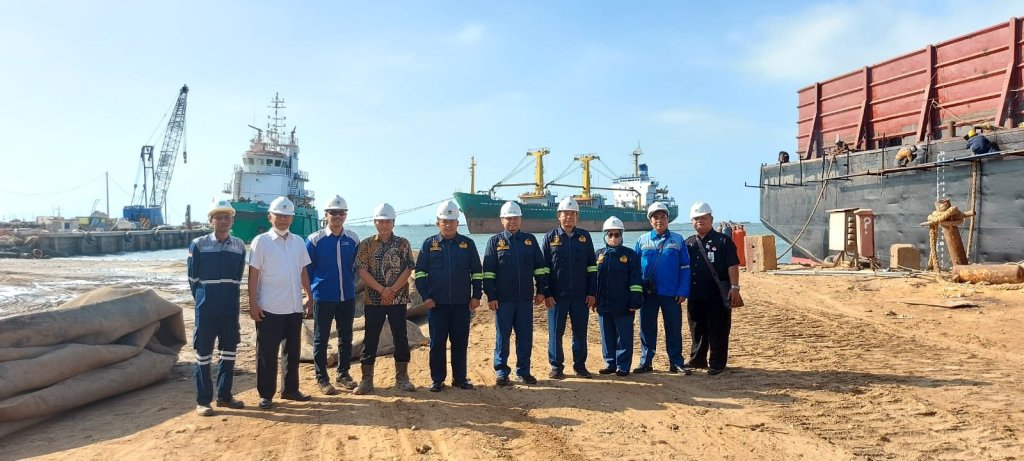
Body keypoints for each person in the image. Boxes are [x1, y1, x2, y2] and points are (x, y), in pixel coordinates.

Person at [248, 196, 314, 410]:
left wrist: (309, 296)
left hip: (293, 305)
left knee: (292, 352)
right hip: (269, 307)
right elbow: (253, 274)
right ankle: (266, 395)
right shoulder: (261, 242)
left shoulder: (298, 242)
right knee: (266, 353)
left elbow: (303, 270)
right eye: (279, 215)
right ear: (270, 217)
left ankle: (290, 389)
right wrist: (253, 304)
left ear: (292, 219)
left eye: (287, 216)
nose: (283, 219)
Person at [414, 200, 483, 392]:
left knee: (460, 342)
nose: (448, 224)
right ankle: (437, 380)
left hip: (462, 304)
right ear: (438, 223)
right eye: (444, 221)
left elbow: (477, 272)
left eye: (451, 221)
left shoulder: (467, 244)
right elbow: (420, 273)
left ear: (457, 223)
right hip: (437, 305)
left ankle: (460, 379)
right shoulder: (429, 244)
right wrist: (425, 297)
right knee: (437, 343)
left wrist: (476, 295)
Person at [187, 199, 247, 416]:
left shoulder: (239, 246)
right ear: (211, 221)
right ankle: (203, 401)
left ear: (232, 220)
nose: (223, 221)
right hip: (206, 310)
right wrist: (204, 299)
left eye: (227, 217)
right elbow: (193, 278)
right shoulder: (198, 244)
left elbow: (237, 277)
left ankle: (225, 396)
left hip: (230, 309)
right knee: (203, 355)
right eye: (218, 217)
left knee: (228, 353)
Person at [482, 201, 549, 386]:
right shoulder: (494, 242)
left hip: (525, 299)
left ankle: (523, 371)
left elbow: (540, 268)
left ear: (521, 220)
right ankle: (501, 372)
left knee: (525, 337)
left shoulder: (530, 240)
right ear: (502, 220)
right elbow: (488, 273)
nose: (512, 221)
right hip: (503, 300)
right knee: (502, 337)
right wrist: (491, 296)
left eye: (515, 218)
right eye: (508, 218)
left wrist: (541, 291)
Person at [354, 203, 417, 394]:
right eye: (380, 221)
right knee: (370, 338)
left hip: (398, 300)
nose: (384, 225)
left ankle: (402, 378)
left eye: (387, 221)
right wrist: (382, 290)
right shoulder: (366, 244)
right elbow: (362, 271)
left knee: (401, 337)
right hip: (373, 300)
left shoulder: (403, 243)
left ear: (393, 223)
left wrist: (392, 290)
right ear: (374, 222)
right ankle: (366, 380)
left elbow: (408, 268)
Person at [305, 195, 360, 395]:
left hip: (347, 297)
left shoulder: (353, 239)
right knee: (321, 339)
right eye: (333, 212)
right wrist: (309, 295)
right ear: (326, 214)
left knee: (346, 337)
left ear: (345, 215)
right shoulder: (314, 240)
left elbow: (357, 266)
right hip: (323, 296)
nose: (337, 216)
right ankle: (322, 378)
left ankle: (343, 374)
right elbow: (306, 270)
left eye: (341, 212)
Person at [633, 201, 691, 375]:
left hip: (671, 293)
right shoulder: (642, 240)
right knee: (647, 328)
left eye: (663, 217)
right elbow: (634, 269)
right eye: (656, 217)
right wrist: (636, 291)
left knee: (673, 328)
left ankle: (676, 362)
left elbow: (685, 267)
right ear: (650, 220)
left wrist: (683, 290)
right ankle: (646, 362)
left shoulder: (678, 240)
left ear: (668, 219)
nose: (659, 220)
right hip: (648, 294)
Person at [542, 197, 597, 379]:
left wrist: (592, 292)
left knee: (580, 332)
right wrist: (546, 293)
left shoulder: (584, 237)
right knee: (555, 333)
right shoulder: (550, 237)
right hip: (557, 296)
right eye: (565, 214)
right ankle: (556, 366)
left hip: (580, 295)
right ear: (558, 216)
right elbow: (543, 269)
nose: (569, 217)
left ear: (577, 217)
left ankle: (580, 366)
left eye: (572, 214)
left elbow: (592, 267)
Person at [684, 201, 740, 376]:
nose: (700, 221)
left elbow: (732, 265)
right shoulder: (688, 243)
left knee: (719, 329)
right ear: (692, 221)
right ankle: (697, 359)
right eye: (696, 218)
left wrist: (734, 287)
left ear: (711, 219)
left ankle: (717, 363)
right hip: (695, 294)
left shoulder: (723, 241)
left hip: (717, 294)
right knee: (697, 329)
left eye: (703, 217)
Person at [594, 216, 642, 377]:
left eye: (617, 234)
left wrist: (634, 301)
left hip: (624, 304)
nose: (613, 238)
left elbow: (636, 280)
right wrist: (593, 298)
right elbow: (593, 279)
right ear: (605, 235)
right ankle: (610, 363)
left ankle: (623, 366)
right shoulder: (598, 255)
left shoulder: (630, 255)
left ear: (622, 235)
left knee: (624, 336)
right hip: (603, 304)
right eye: (610, 234)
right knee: (607, 336)